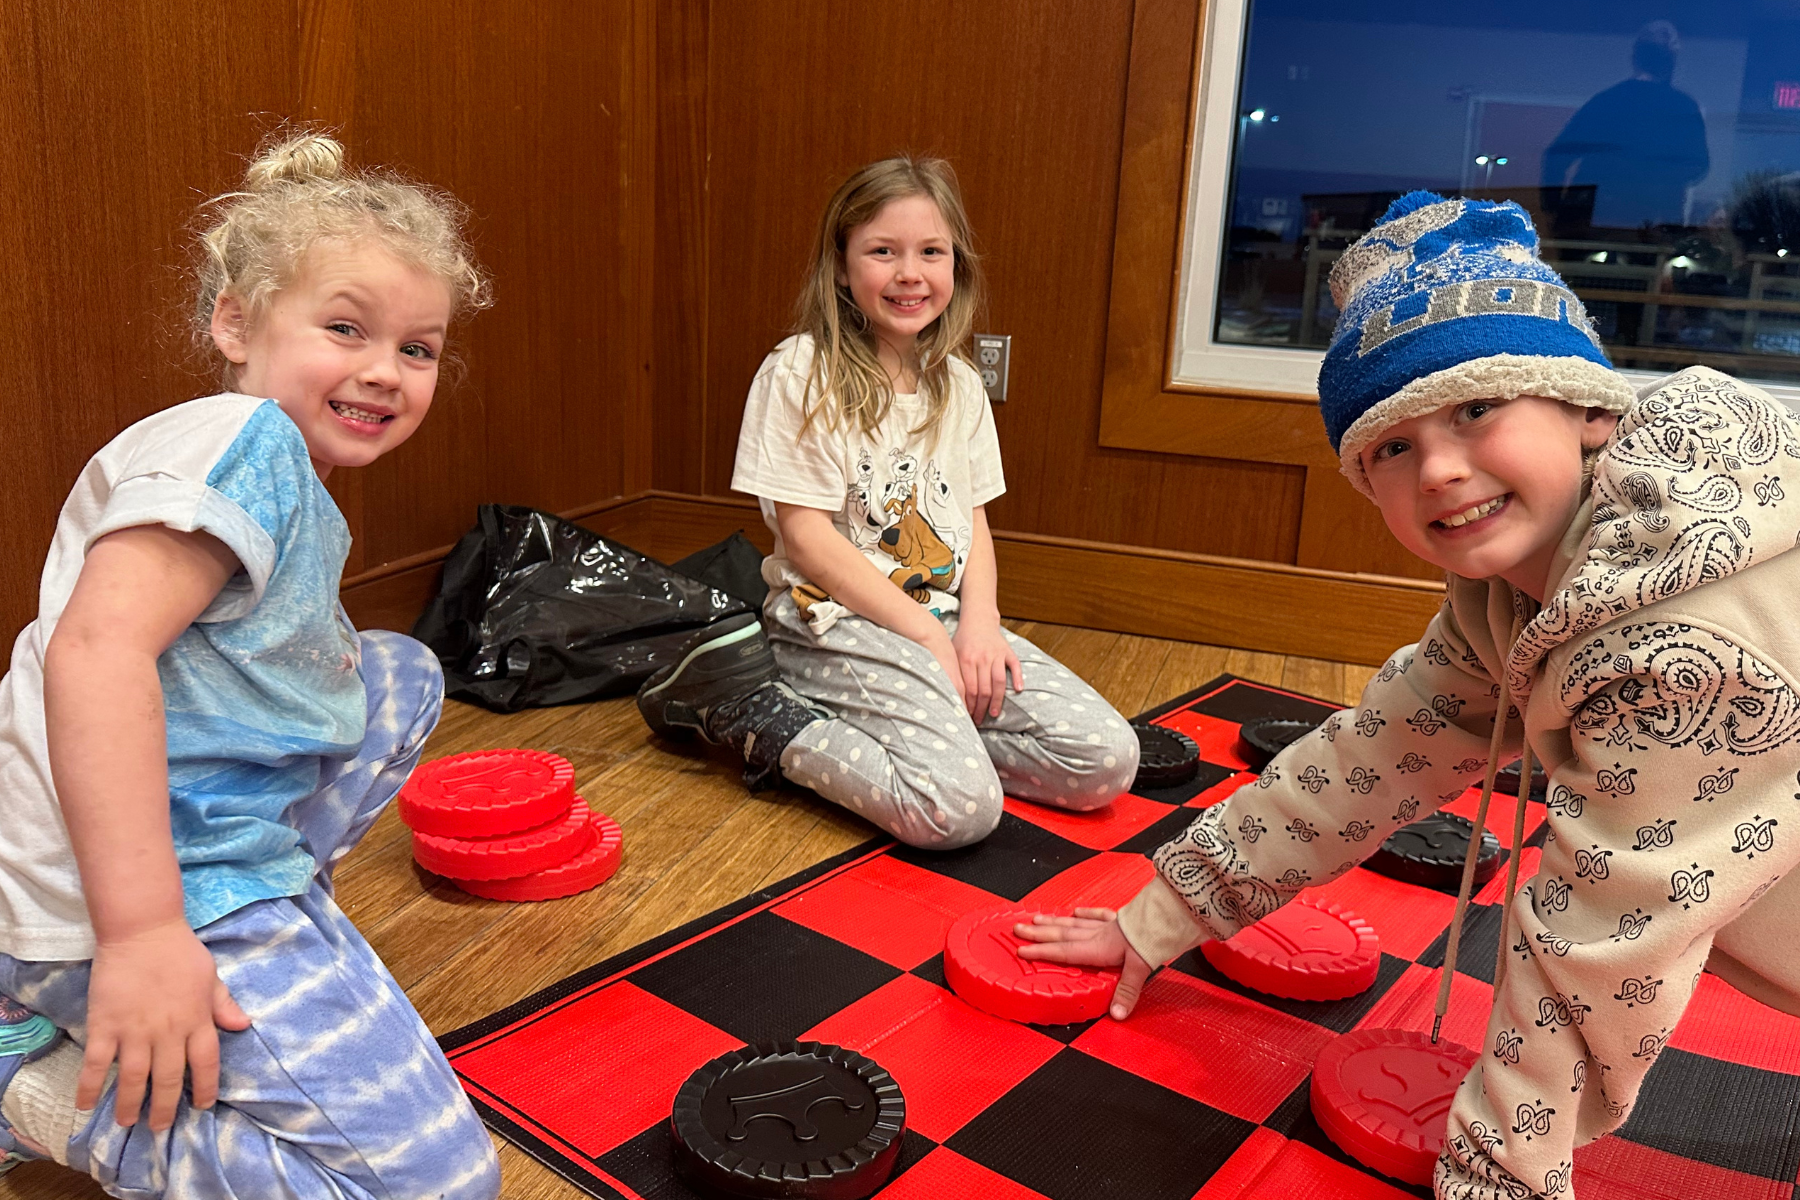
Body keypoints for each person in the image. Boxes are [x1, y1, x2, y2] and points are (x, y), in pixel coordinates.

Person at [1016, 191, 1800, 1199]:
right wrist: (1163, 914)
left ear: (1587, 408)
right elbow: (1375, 757)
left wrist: (1497, 1175)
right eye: (1391, 444)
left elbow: (1597, 951)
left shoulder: (1677, 647)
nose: (1437, 468)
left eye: (1477, 410)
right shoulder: (1516, 594)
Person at [0, 131, 501, 1197]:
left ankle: (267, 911)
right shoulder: (245, 443)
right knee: (438, 1187)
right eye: (344, 328)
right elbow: (91, 653)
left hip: (196, 828)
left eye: (418, 348)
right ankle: (39, 1093)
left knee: (398, 672)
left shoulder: (267, 465)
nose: (385, 371)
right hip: (120, 887)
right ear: (234, 321)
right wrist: (142, 936)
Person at [637, 156, 1138, 848]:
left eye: (931, 252)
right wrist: (930, 639)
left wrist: (979, 626)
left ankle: (925, 745)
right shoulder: (798, 372)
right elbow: (807, 539)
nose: (911, 273)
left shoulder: (958, 384)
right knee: (958, 812)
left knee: (1106, 762)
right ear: (842, 268)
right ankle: (759, 711)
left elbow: (974, 519)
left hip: (941, 616)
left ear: (954, 264)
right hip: (829, 624)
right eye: (883, 252)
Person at [1542, 20, 1709, 231]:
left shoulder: (1605, 102)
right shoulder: (1683, 108)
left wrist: (1553, 209)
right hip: (1646, 227)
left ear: (1635, 58)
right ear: (1673, 62)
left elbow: (1556, 157)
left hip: (1601, 225)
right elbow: (1698, 165)